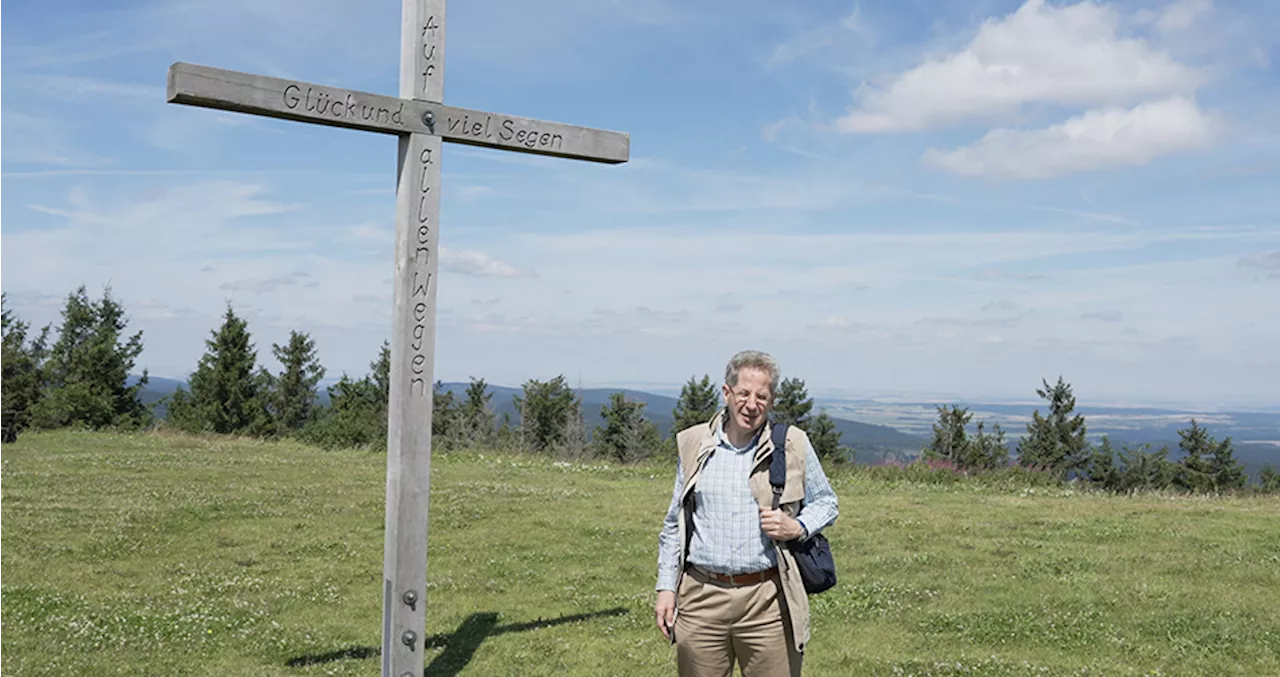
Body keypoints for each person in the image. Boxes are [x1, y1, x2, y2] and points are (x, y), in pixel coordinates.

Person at [654, 350, 839, 676]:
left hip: (767, 600)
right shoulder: (695, 443)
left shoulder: (792, 443)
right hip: (700, 597)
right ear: (727, 393)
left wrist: (795, 527)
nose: (751, 404)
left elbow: (826, 502)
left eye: (761, 396)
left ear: (772, 400)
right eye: (743, 394)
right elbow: (675, 523)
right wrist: (666, 587)